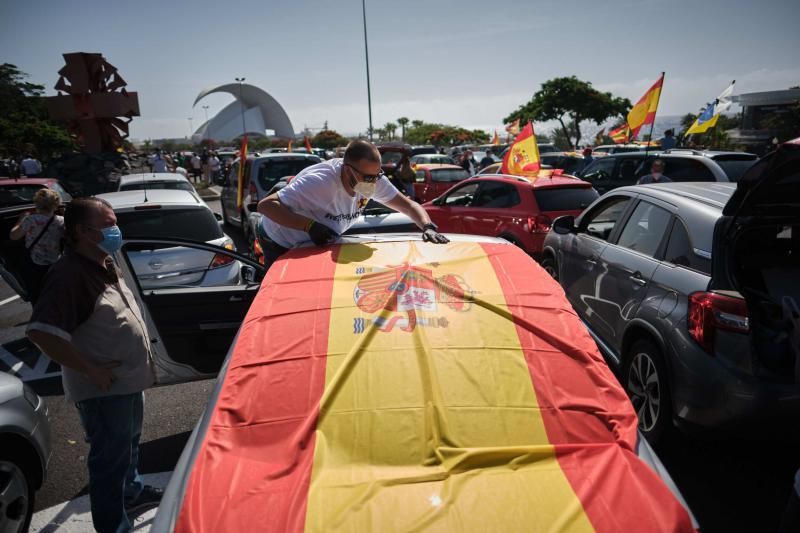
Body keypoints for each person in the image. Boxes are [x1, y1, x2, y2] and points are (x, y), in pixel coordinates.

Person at [26, 197, 162, 533]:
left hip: (125, 382)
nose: (116, 230)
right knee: (109, 463)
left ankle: (131, 494)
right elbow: (42, 333)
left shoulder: (100, 261)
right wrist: (92, 370)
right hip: (104, 389)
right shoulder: (69, 275)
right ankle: (113, 525)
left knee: (127, 446)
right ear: (83, 231)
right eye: (109, 224)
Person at [256, 139, 448, 268]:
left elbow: (408, 206)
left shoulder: (372, 179)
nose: (373, 182)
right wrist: (309, 226)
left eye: (377, 175)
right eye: (368, 177)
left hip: (318, 242)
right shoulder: (320, 182)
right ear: (348, 170)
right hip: (280, 240)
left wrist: (427, 226)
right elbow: (266, 206)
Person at [9, 188, 65, 304]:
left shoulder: (30, 220)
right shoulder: (61, 221)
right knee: (56, 293)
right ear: (56, 204)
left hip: (34, 264)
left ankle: (40, 316)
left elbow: (13, 236)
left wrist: (20, 220)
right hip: (55, 262)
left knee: (37, 294)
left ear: (37, 204)